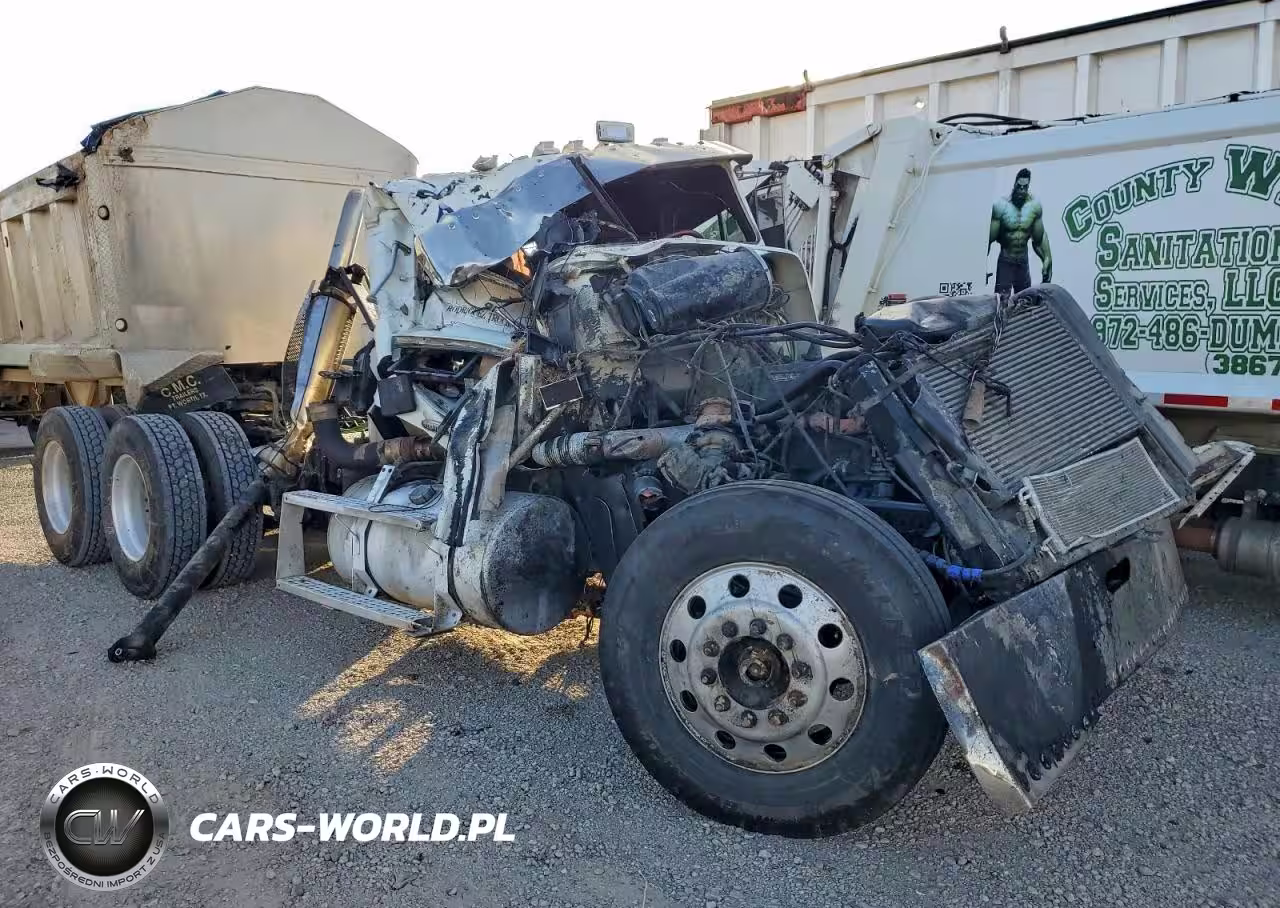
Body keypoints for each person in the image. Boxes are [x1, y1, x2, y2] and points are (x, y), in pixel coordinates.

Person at [989, 167, 1052, 294]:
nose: (1021, 190)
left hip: (1023, 261)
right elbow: (988, 240)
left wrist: (1047, 259)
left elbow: (1039, 239)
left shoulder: (1034, 207)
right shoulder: (1001, 206)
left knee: (1025, 300)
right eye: (1019, 186)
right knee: (1002, 301)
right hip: (1006, 260)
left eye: (1025, 187)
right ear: (1014, 184)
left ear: (1028, 186)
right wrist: (981, 269)